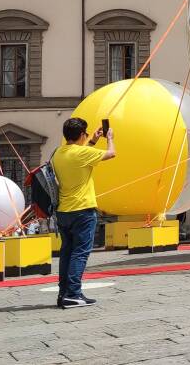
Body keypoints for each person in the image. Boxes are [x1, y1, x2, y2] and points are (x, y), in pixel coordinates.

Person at [51, 117, 115, 308]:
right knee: (80, 253)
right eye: (85, 134)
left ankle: (63, 293)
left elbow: (80, 155)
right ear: (80, 135)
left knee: (67, 253)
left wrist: (93, 140)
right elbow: (111, 153)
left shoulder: (58, 153)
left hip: (63, 211)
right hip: (83, 211)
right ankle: (73, 293)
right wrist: (109, 137)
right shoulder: (82, 153)